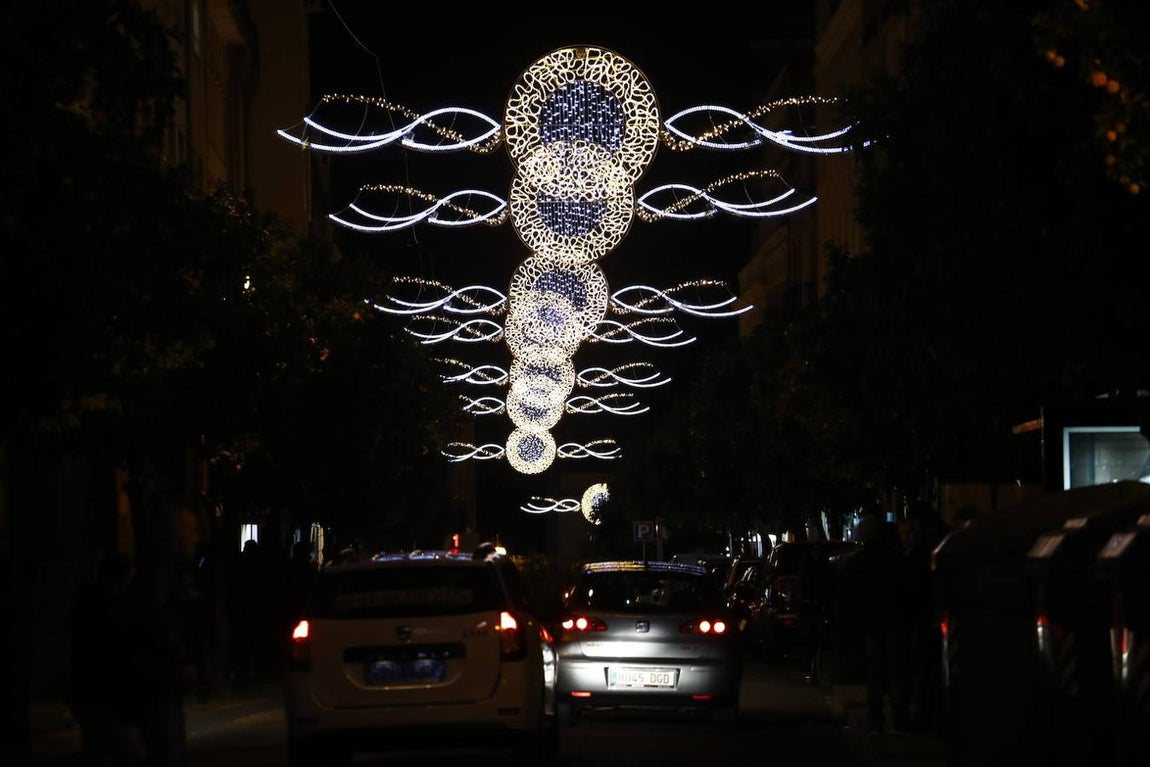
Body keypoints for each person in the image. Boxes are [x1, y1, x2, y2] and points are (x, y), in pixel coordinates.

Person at [840, 513, 912, 735]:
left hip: (871, 624)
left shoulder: (857, 563)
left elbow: (849, 598)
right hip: (894, 622)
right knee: (897, 671)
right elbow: (906, 591)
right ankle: (899, 720)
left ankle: (876, 722)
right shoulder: (897, 559)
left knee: (875, 673)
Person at [899, 511, 943, 733]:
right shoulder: (908, 557)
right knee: (915, 670)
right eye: (903, 533)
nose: (905, 537)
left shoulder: (919, 558)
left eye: (908, 533)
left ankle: (922, 714)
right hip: (911, 621)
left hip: (919, 621)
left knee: (920, 670)